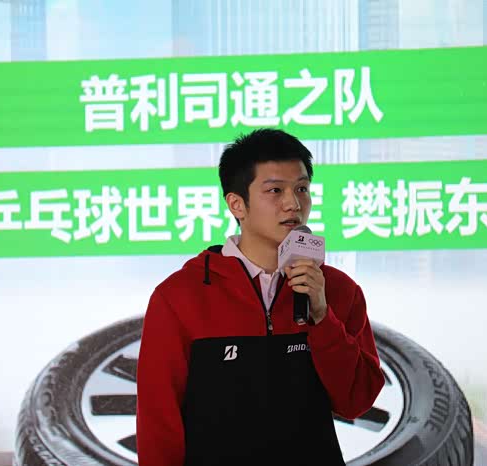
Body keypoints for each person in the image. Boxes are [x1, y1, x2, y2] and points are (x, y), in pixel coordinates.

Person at [136, 128, 385, 466]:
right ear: (237, 204)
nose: (293, 203)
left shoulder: (337, 290)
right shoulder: (179, 297)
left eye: (301, 189)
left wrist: (322, 318)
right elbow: (158, 423)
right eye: (275, 190)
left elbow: (357, 401)